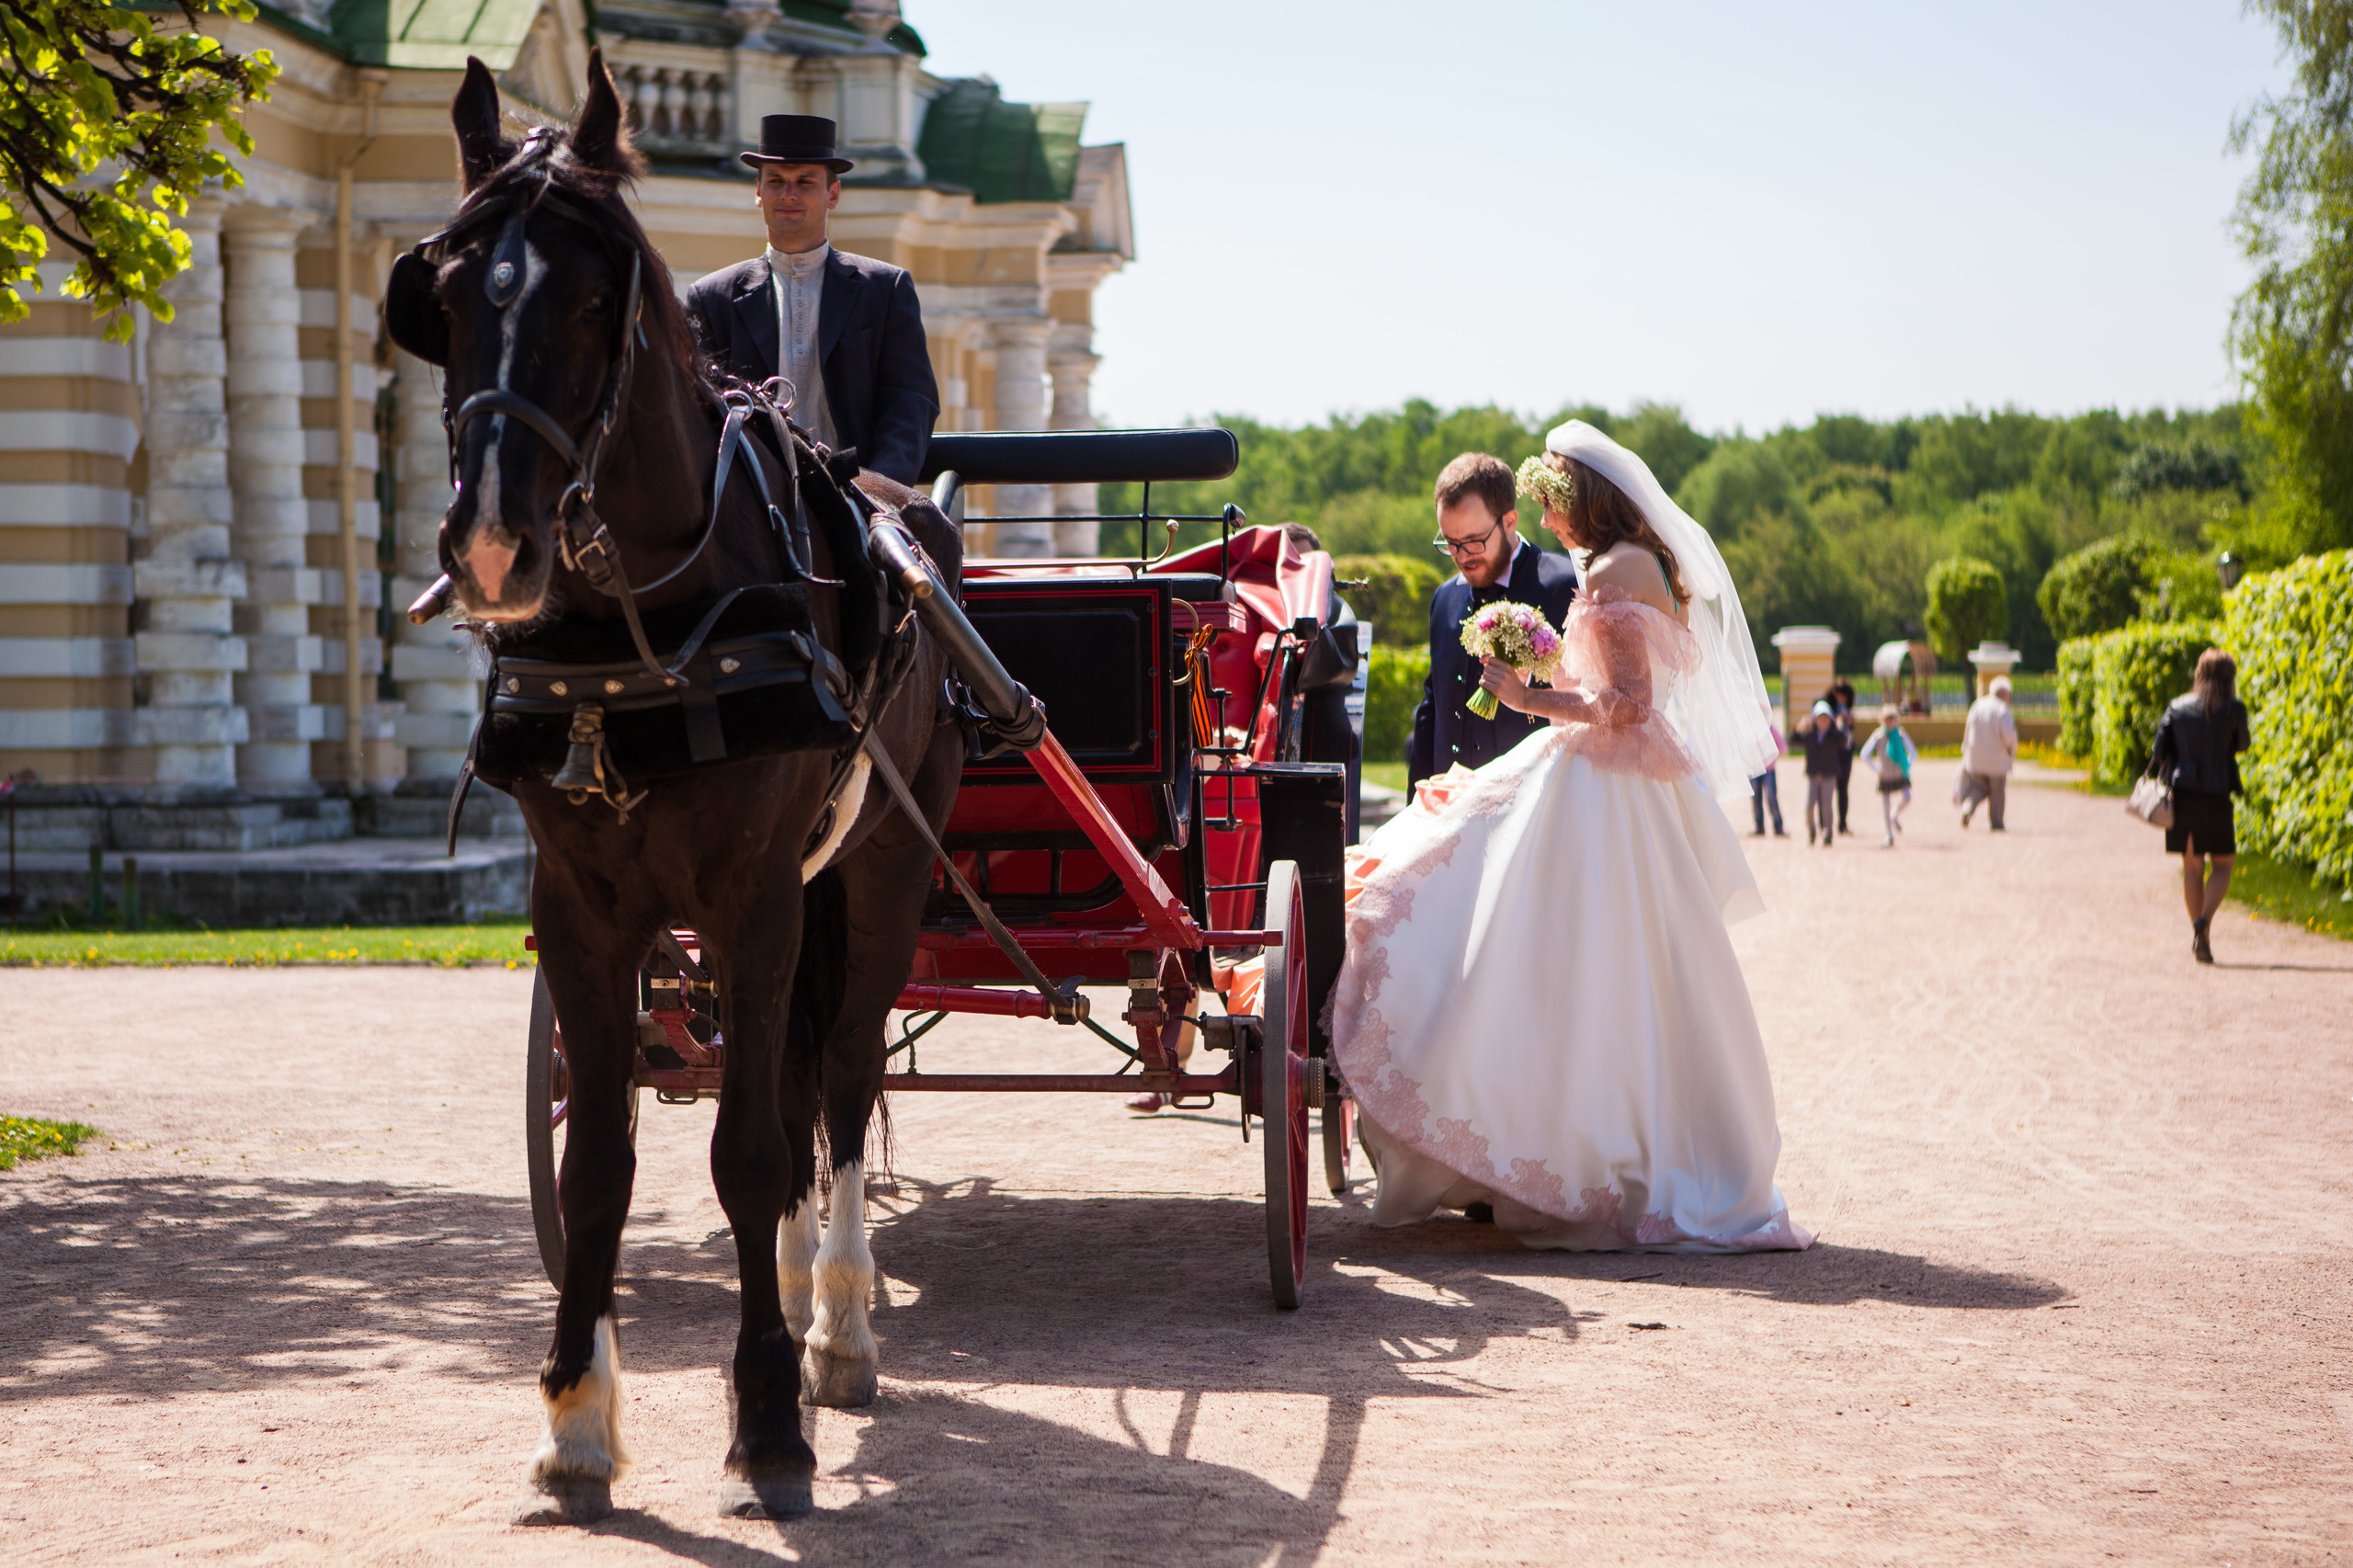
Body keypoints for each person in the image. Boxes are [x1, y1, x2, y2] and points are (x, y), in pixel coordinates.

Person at [1329, 419, 1806, 1254]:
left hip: (1606, 782)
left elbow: (1627, 706)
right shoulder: (1628, 564)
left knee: (1553, 962)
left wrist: (1526, 699)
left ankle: (1556, 1147)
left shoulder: (1620, 567)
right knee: (1601, 970)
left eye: (1554, 503)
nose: (1547, 521)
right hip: (1605, 779)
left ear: (1583, 499)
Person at [685, 115, 939, 484]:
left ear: (832, 194)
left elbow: (911, 402)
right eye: (775, 182)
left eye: (805, 182)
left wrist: (881, 493)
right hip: (752, 501)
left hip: (857, 497)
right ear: (758, 192)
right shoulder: (711, 298)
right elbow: (697, 410)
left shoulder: (885, 288)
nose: (788, 194)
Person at [1405, 453, 1579, 799]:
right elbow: (1433, 706)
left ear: (1510, 521)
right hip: (1450, 809)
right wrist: (1416, 804)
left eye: (1473, 541)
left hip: (1537, 807)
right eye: (1450, 543)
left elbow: (1593, 701)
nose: (1462, 556)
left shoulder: (1565, 587)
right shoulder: (1444, 599)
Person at [2148, 650, 2251, 964]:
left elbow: (2158, 750)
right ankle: (2203, 924)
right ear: (2229, 677)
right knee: (2224, 865)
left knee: (2193, 867)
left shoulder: (2177, 707)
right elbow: (2243, 745)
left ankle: (2198, 930)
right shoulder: (2234, 709)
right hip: (2217, 796)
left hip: (2184, 796)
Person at [1959, 676, 2018, 830]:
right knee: (1997, 792)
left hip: (1976, 758)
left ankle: (1967, 808)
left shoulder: (1977, 705)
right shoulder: (2002, 710)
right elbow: (2008, 734)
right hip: (1997, 760)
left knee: (1979, 788)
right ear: (2004, 694)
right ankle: (1997, 823)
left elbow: (1968, 731)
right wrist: (2011, 749)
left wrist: (1966, 750)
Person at [1857, 703, 1915, 847]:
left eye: (1892, 718)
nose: (1890, 722)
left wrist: (1906, 766)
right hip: (1885, 775)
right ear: (1882, 720)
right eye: (1887, 719)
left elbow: (1913, 752)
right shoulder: (1878, 736)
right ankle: (1889, 835)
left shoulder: (1900, 734)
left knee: (1907, 797)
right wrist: (1876, 769)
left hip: (1899, 772)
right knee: (1886, 804)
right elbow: (1864, 754)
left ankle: (1894, 815)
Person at [1798, 701, 1843, 846]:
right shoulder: (1810, 735)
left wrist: (1838, 726)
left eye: (1826, 718)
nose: (1823, 721)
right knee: (1809, 806)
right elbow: (1792, 740)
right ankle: (1812, 830)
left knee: (1826, 806)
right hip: (1813, 774)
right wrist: (1802, 725)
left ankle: (1828, 832)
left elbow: (1846, 741)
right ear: (1814, 720)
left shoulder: (1834, 735)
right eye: (1819, 718)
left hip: (1829, 774)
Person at [1823, 678, 1859, 835]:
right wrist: (1835, 721)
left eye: (1845, 695)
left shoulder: (1849, 709)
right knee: (1826, 788)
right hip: (1831, 752)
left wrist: (1849, 721)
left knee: (1843, 788)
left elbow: (1850, 731)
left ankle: (1842, 823)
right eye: (1839, 694)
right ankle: (1824, 823)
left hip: (1846, 752)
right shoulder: (1827, 709)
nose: (1842, 698)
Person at [1749, 721, 1787, 837]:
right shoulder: (1750, 730)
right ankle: (1759, 826)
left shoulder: (1771, 730)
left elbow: (1783, 748)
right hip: (1755, 769)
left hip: (1768, 770)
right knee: (1756, 799)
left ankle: (1778, 825)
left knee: (1771, 797)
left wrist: (1771, 756)